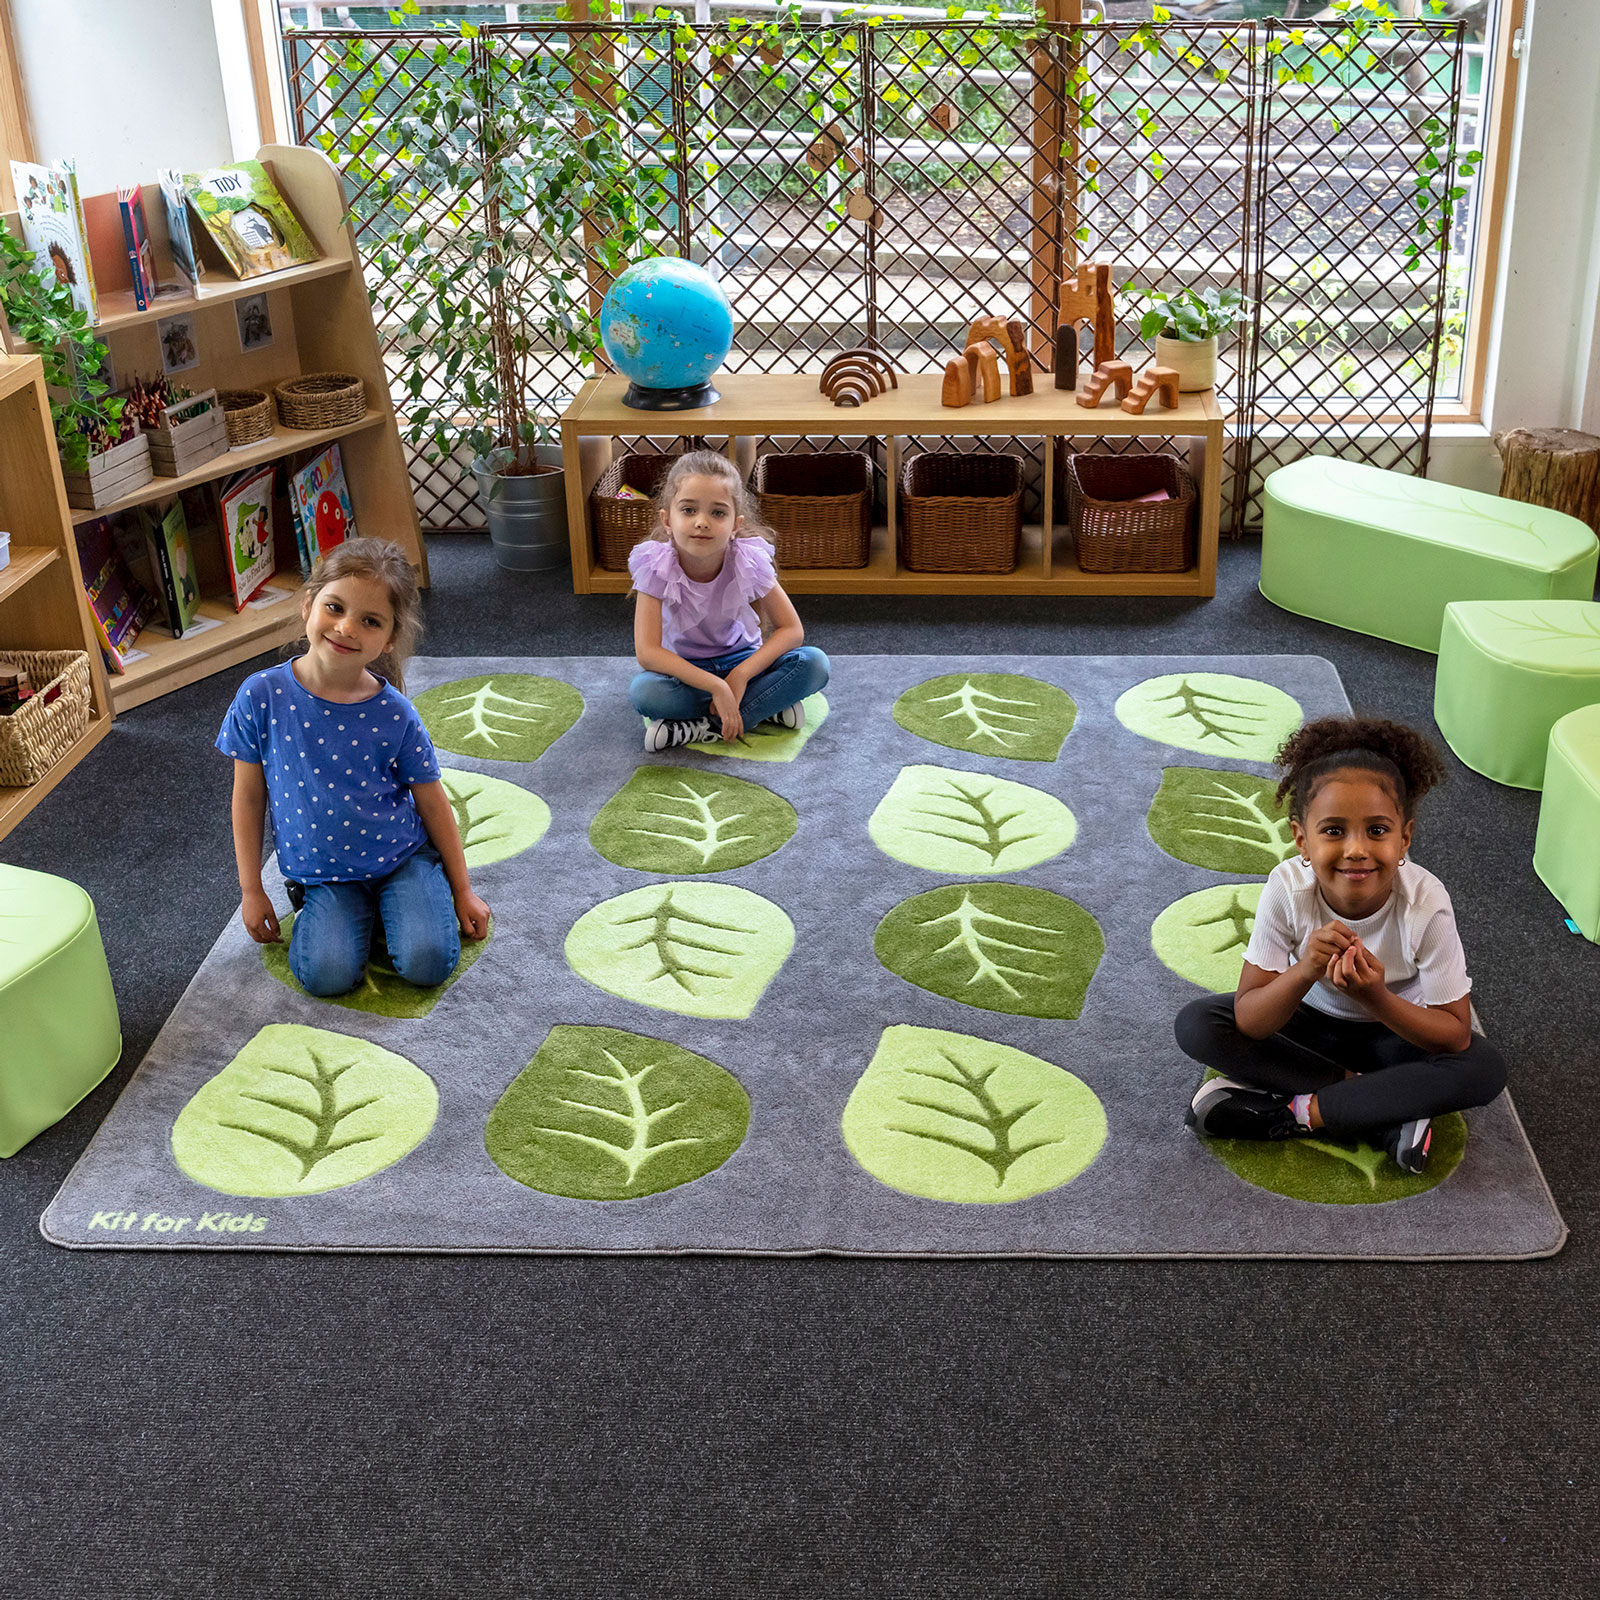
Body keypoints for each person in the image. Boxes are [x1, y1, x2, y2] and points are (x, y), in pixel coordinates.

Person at [1175, 716, 1506, 1174]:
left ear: (1404, 837)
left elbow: (1454, 1033)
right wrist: (1304, 970)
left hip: (1396, 1035)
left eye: (1376, 830)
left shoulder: (1426, 902)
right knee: (1197, 1024)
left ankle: (1297, 1112)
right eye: (1333, 830)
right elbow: (1251, 1019)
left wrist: (1375, 996)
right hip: (1310, 1028)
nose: (1356, 849)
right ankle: (1374, 1109)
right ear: (1301, 840)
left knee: (1483, 1068)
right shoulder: (1287, 889)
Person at [217, 537, 490, 997]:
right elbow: (248, 797)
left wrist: (463, 889)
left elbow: (432, 801)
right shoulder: (260, 696)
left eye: (369, 621)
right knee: (326, 976)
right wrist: (250, 890)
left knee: (428, 963)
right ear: (309, 605)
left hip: (401, 859)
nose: (346, 628)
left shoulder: (395, 712)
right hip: (323, 873)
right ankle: (353, 912)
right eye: (335, 607)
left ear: (389, 639)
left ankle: (414, 897)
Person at [628, 450, 830, 752]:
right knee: (645, 693)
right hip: (687, 672)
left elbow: (792, 630)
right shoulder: (655, 565)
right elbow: (648, 653)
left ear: (736, 524)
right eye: (688, 510)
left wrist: (739, 676)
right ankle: (764, 708)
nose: (702, 522)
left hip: (744, 662)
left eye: (718, 513)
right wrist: (716, 686)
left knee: (815, 664)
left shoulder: (748, 559)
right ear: (667, 519)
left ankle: (699, 726)